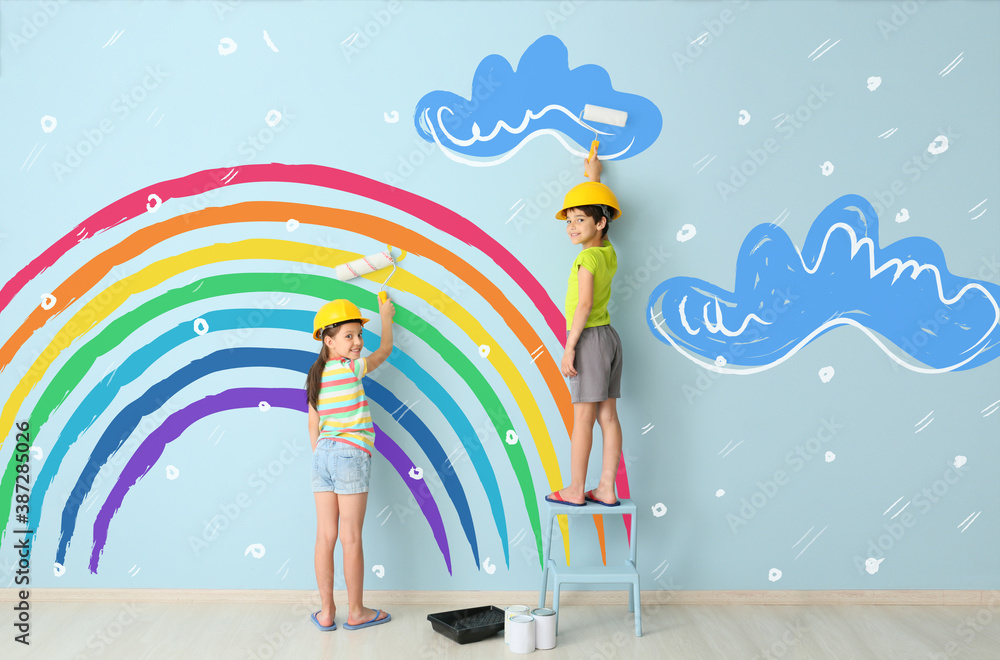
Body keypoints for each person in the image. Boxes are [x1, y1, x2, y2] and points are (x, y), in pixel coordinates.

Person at [306, 297, 394, 631]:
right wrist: (386, 318)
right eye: (349, 336)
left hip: (322, 455)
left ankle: (327, 612)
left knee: (324, 536)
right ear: (328, 341)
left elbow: (313, 425)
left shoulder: (316, 375)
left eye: (359, 334)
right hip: (350, 453)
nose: (358, 342)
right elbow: (383, 352)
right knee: (351, 537)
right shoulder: (348, 368)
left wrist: (322, 454)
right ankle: (356, 611)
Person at [546, 155, 624, 507]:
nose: (572, 226)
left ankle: (576, 488)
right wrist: (593, 178)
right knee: (608, 416)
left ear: (601, 223)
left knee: (583, 419)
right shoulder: (608, 253)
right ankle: (606, 487)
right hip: (609, 339)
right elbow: (600, 215)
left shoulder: (585, 260)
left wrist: (569, 346)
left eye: (580, 220)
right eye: (570, 220)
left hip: (589, 339)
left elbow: (583, 305)